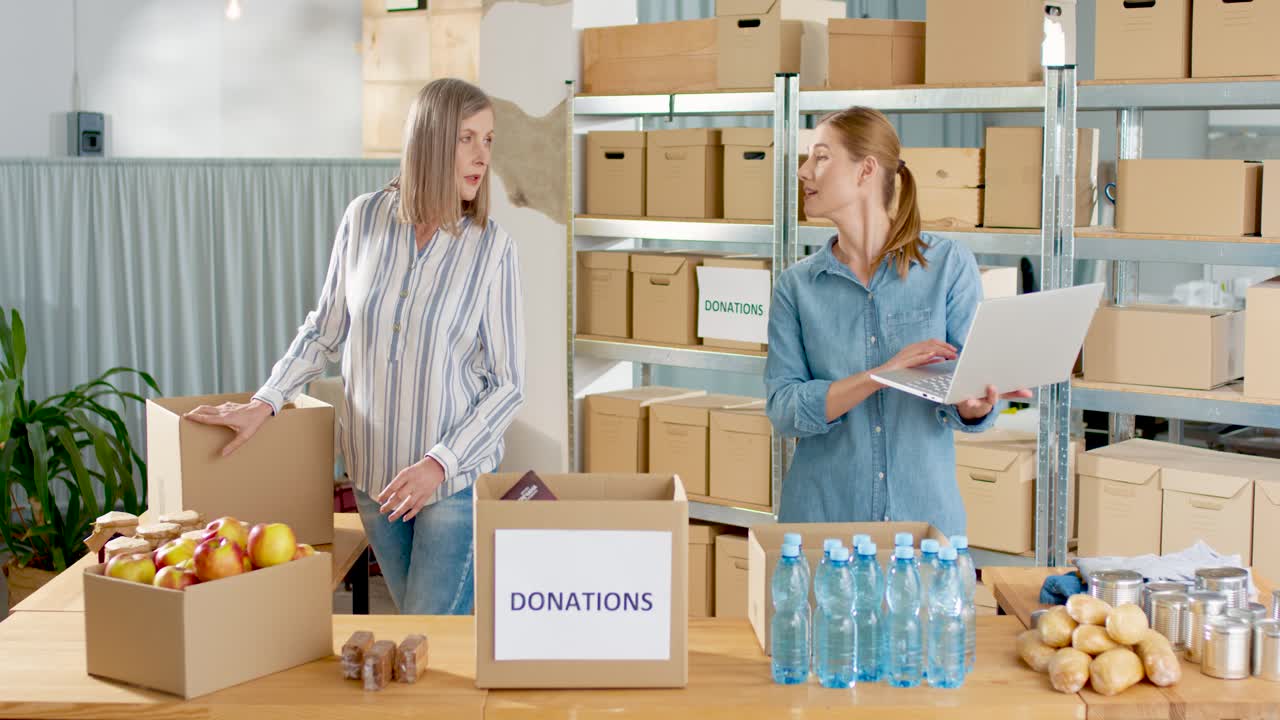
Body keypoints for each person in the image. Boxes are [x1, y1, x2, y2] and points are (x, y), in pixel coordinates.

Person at [184, 78, 525, 614]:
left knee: (428, 633)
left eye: (489, 140)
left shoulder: (492, 250)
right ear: (431, 139)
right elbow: (325, 329)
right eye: (467, 138)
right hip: (374, 477)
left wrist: (438, 464)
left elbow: (508, 385)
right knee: (422, 644)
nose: (482, 156)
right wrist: (265, 401)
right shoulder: (364, 217)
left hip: (451, 483)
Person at [765, 106, 1029, 536]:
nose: (804, 171)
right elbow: (783, 410)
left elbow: (970, 395)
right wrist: (879, 376)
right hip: (822, 527)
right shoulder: (797, 287)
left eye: (821, 156)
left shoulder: (948, 265)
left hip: (924, 528)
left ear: (865, 170)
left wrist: (974, 404)